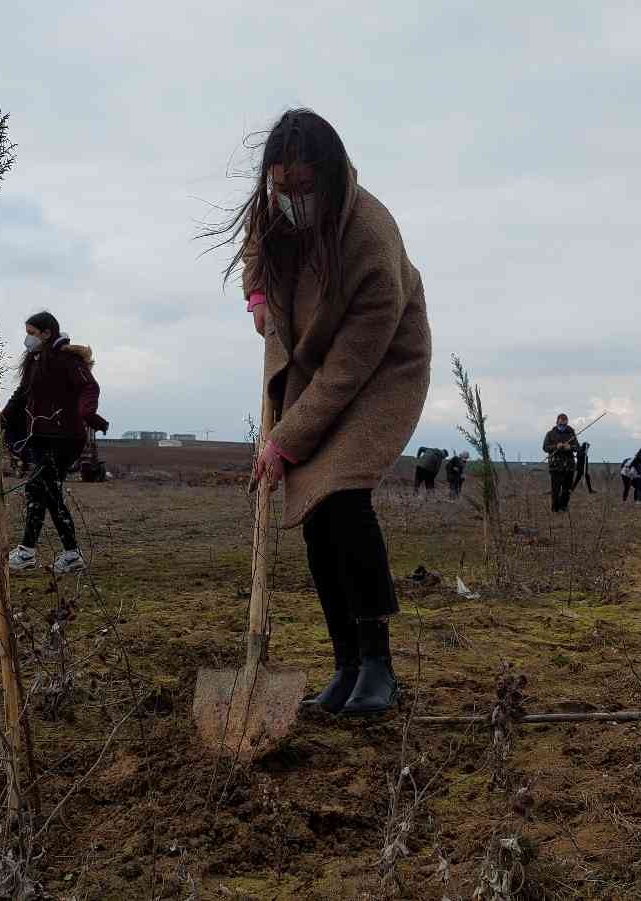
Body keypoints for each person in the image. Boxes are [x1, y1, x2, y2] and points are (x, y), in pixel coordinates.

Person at [221, 109, 431, 716]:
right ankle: (345, 665)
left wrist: (283, 440)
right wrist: (258, 297)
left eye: (304, 190)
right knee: (313, 512)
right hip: (310, 356)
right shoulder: (275, 207)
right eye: (282, 190)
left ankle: (378, 668)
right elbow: (256, 248)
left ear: (332, 177)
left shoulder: (370, 234)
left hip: (378, 370)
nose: (291, 202)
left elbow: (348, 373)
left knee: (340, 495)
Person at [2, 312, 109, 574]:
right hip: (40, 436)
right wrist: (3, 418)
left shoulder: (67, 360)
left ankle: (67, 554)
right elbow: (22, 392)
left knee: (44, 489)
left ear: (47, 333)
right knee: (39, 490)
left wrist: (87, 413)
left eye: (32, 333)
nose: (27, 339)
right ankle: (31, 553)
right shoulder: (36, 361)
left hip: (64, 437)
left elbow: (89, 387)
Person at [542, 414, 580, 512]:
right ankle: (555, 509)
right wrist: (555, 446)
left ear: (567, 423)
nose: (562, 426)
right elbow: (545, 448)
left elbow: (577, 448)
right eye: (560, 424)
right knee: (556, 490)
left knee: (567, 489)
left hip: (569, 466)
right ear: (557, 422)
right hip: (556, 467)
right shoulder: (550, 434)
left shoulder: (571, 434)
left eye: (564, 425)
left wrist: (570, 447)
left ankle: (564, 507)